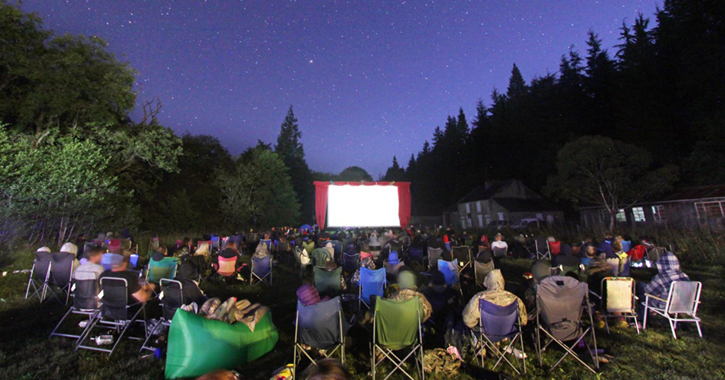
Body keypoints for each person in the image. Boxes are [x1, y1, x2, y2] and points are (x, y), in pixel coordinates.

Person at [463, 269, 527, 330]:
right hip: (509, 332)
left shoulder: (479, 298)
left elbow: (468, 320)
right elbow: (523, 321)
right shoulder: (515, 299)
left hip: (486, 333)